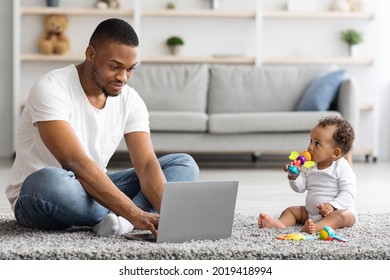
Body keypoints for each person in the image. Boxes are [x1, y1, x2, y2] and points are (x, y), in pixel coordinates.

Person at [6, 18, 199, 237]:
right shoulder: (51, 88)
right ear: (90, 54)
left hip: (95, 188)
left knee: (184, 164)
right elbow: (74, 163)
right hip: (41, 196)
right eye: (114, 67)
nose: (122, 77)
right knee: (49, 181)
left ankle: (119, 222)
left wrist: (174, 216)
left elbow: (146, 165)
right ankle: (128, 216)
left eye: (130, 69)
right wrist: (136, 213)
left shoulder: (130, 100)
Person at [258, 116, 357, 234]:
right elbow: (300, 188)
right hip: (312, 214)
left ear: (335, 153)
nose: (310, 147)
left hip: (336, 211)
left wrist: (332, 206)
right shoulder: (309, 165)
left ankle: (316, 228)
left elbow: (349, 193)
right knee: (291, 211)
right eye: (311, 141)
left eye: (317, 144)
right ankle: (281, 224)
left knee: (341, 216)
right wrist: (294, 176)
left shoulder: (342, 167)